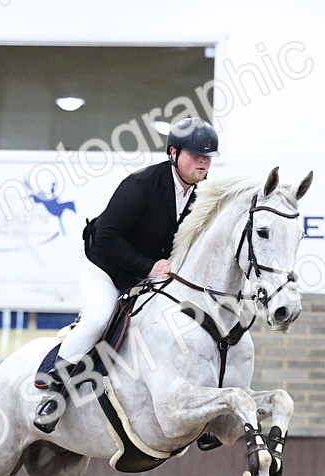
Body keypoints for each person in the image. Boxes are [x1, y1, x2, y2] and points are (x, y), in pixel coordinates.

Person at [33, 117, 220, 434]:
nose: (203, 162)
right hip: (105, 267)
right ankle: (54, 392)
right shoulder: (141, 185)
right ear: (173, 152)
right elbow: (107, 237)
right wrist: (149, 268)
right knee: (98, 317)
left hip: (148, 274)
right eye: (195, 155)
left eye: (207, 157)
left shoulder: (200, 198)